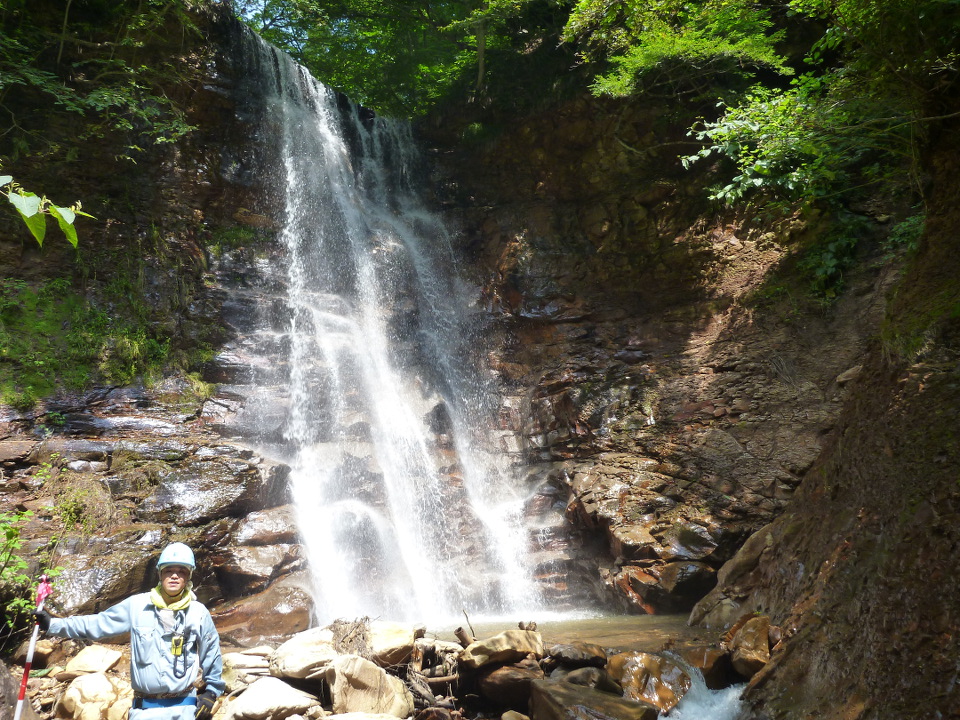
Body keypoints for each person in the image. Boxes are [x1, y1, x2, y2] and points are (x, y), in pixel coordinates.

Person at [35, 542, 224, 720]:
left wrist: (211, 692)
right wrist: (53, 625)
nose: (175, 575)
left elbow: (211, 652)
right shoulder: (137, 606)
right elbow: (97, 624)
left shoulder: (198, 612)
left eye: (181, 571)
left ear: (188, 576)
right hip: (145, 710)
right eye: (169, 570)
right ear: (160, 574)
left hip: (185, 709)